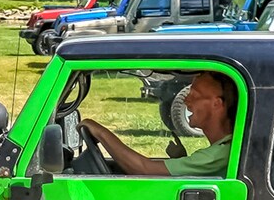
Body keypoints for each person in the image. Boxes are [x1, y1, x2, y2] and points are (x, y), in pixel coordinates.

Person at [77, 71, 235, 176]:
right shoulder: (224, 151)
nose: (186, 100)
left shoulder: (218, 155)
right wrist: (182, 160)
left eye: (195, 95)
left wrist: (100, 132)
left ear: (217, 104)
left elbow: (144, 170)